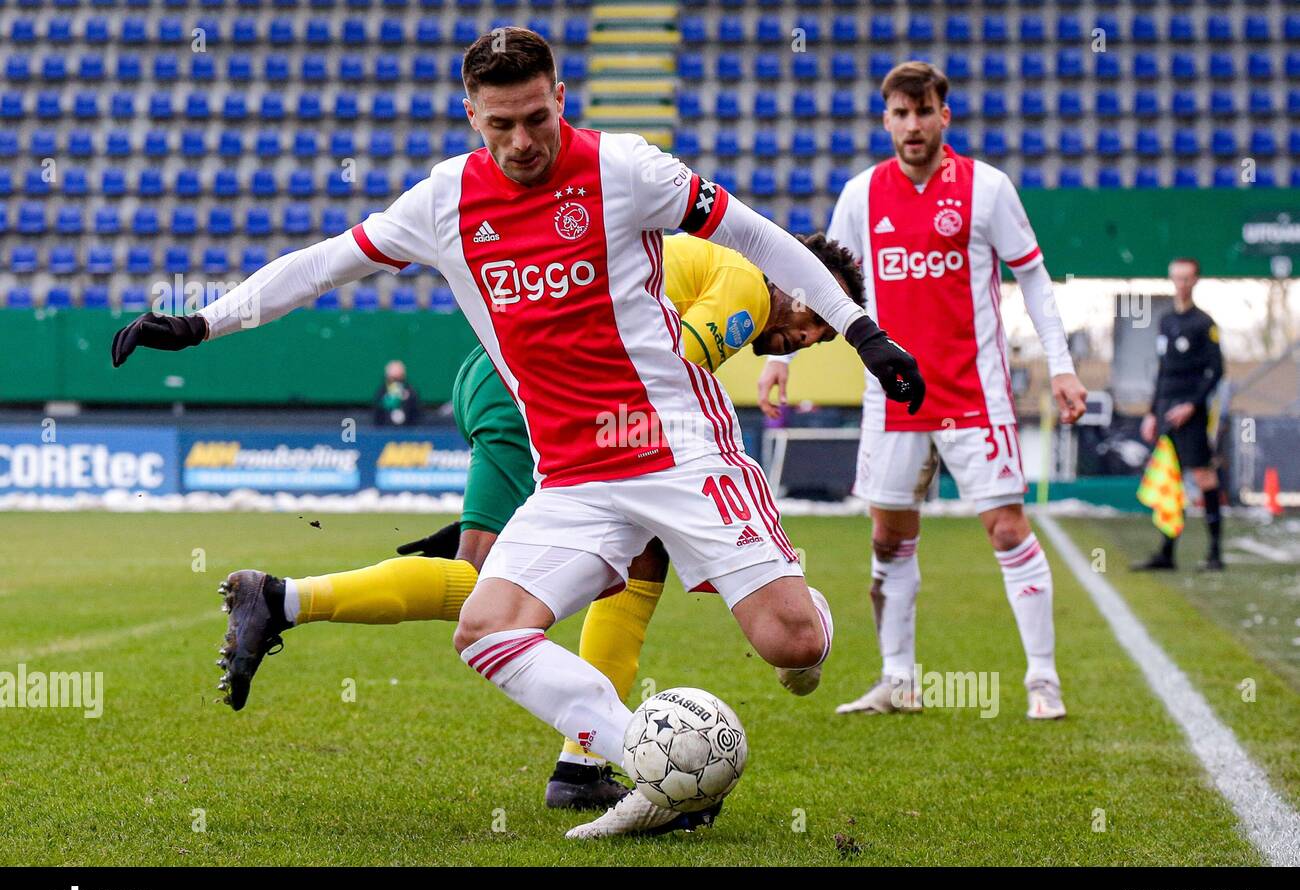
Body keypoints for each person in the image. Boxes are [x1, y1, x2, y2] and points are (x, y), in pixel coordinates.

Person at [110, 28, 923, 838]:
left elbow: (756, 234)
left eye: (536, 118)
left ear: (560, 98)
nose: (523, 141)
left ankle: (799, 614)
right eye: (501, 125)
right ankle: (649, 760)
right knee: (485, 627)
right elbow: (324, 264)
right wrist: (200, 324)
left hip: (678, 447)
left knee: (791, 644)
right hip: (572, 474)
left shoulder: (624, 169)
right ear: (471, 115)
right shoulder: (442, 202)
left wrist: (861, 331)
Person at [201, 231, 861, 815]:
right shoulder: (741, 285)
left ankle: (580, 767)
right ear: (807, 292)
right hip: (545, 394)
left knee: (628, 558)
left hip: (506, 378)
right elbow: (668, 376)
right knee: (493, 581)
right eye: (817, 328)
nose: (806, 342)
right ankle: (283, 600)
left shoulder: (707, 265)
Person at [758, 61, 1087, 720]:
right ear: (886, 121)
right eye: (900, 115)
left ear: (945, 116)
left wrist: (1061, 363)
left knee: (1005, 528)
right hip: (893, 399)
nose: (913, 125)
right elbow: (819, 281)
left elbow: (1036, 280)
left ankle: (1043, 680)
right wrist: (783, 360)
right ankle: (898, 681)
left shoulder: (988, 191)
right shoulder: (861, 195)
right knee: (887, 539)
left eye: (923, 112)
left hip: (974, 394)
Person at [1131, 257, 1225, 572]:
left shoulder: (1204, 324)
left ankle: (1215, 553)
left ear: (1195, 281)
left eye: (1187, 279)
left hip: (1191, 412)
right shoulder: (1166, 321)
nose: (1181, 284)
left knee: (1202, 475)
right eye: (1176, 278)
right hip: (1164, 410)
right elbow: (1161, 372)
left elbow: (1216, 371)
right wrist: (1151, 412)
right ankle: (1166, 553)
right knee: (1168, 478)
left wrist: (1192, 405)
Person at [373, 359, 422, 427]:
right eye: (392, 378)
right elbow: (377, 416)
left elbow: (416, 415)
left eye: (398, 378)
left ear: (403, 376)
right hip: (385, 431)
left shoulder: (411, 392)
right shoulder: (381, 392)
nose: (395, 382)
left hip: (408, 432)